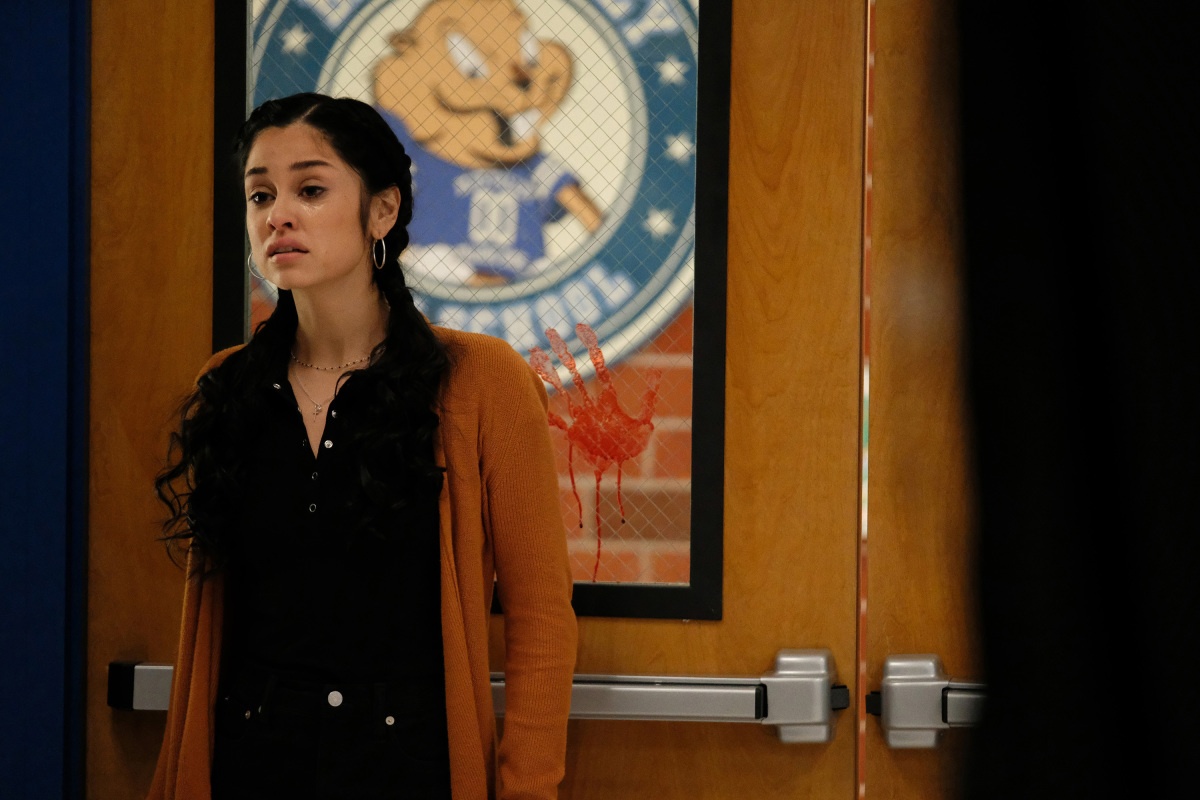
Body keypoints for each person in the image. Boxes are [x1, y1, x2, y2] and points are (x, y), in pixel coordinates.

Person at [147, 92, 578, 799]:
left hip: (408, 769)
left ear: (382, 210)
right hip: (251, 764)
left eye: (311, 190)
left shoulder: (479, 380)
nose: (278, 215)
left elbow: (541, 617)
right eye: (260, 195)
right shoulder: (227, 385)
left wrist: (526, 789)